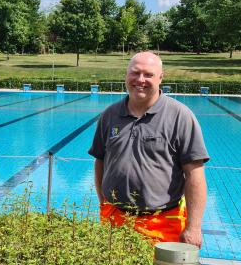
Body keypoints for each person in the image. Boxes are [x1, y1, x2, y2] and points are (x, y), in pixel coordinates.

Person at [88, 51, 209, 246]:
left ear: (161, 78)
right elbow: (100, 160)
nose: (140, 80)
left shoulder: (180, 116)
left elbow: (195, 174)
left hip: (161, 223)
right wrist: (103, 202)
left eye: (148, 74)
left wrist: (194, 227)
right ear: (126, 75)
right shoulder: (110, 115)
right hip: (115, 220)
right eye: (135, 73)